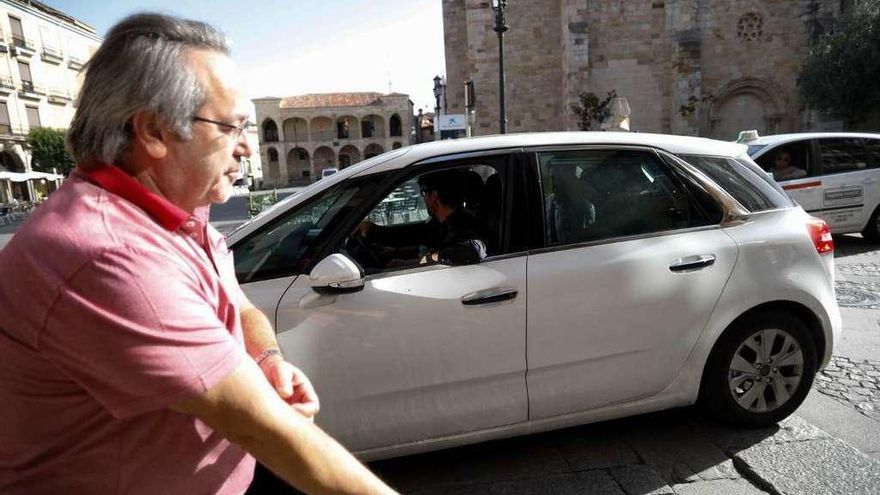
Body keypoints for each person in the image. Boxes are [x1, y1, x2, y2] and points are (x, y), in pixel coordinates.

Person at [0, 13, 395, 495]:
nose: (248, 147)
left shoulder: (175, 211)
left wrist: (267, 358)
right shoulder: (109, 255)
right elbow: (262, 428)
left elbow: (238, 304)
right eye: (231, 127)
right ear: (154, 132)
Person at [359, 169, 489, 267]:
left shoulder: (468, 229)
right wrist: (371, 231)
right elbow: (414, 234)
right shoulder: (442, 224)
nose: (424, 198)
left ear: (434, 195)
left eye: (423, 193)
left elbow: (472, 250)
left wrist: (407, 263)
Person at [545, 163, 596, 244]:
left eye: (559, 179)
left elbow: (587, 242)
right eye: (552, 178)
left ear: (571, 181)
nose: (554, 183)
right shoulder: (545, 202)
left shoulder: (586, 208)